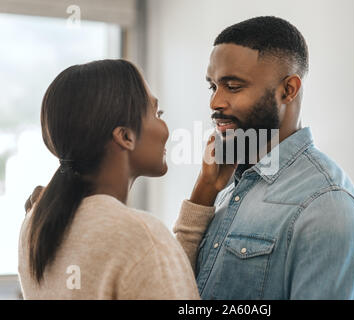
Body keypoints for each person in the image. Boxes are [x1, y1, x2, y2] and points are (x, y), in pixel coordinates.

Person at [174, 16, 354, 300]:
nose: (215, 102)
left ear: (288, 90)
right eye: (213, 86)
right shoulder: (225, 187)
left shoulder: (329, 208)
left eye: (233, 86)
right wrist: (203, 195)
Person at [19, 59, 235, 299]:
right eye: (157, 113)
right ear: (125, 136)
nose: (165, 126)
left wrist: (205, 190)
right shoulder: (139, 235)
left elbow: (149, 278)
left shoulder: (36, 224)